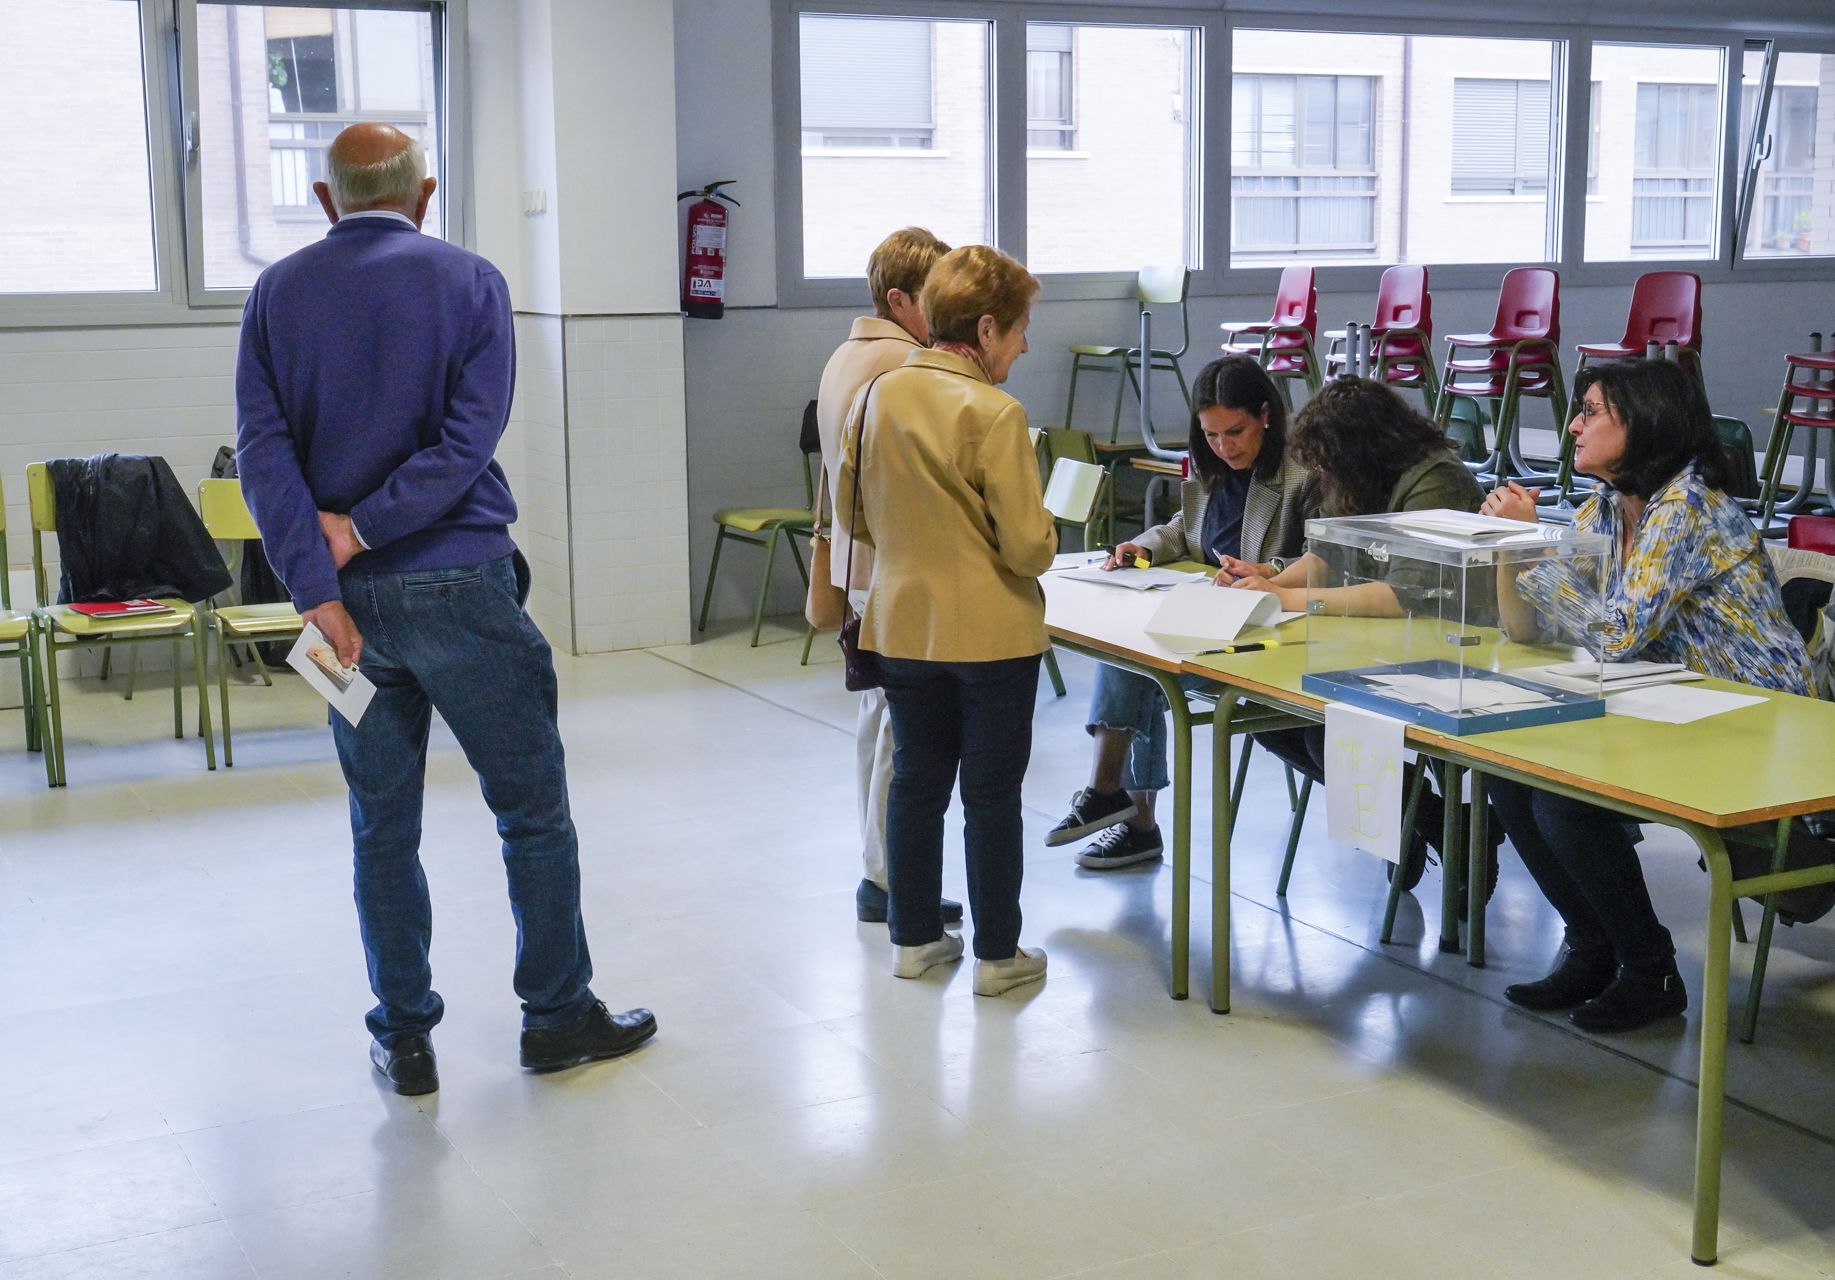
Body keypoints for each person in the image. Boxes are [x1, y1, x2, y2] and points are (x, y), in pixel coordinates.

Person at [236, 123, 654, 1096]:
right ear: (424, 194)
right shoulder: (470, 281)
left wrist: (319, 579)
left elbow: (263, 454)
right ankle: (556, 1017)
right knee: (530, 812)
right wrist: (369, 527)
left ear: (325, 197)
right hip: (463, 586)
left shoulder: (275, 293)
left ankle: (405, 1036)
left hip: (341, 623)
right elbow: (467, 443)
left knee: (380, 825)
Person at [1478, 359, 1811, 1033]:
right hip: (1671, 705)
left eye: (1591, 410)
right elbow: (1528, 627)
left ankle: (1648, 969)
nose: (1573, 425)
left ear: (1644, 422)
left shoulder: (1686, 508)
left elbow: (1616, 631)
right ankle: (1592, 945)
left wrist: (1529, 548)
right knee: (1510, 778)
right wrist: (1514, 553)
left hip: (1753, 718)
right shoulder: (1604, 507)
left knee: (1563, 805)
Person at [835, 245, 1057, 996]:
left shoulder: (877, 397)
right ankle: (998, 956)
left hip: (899, 621)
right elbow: (1028, 549)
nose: (1024, 346)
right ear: (987, 327)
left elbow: (850, 517)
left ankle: (914, 939)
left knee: (915, 783)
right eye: (1021, 330)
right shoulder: (995, 413)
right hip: (992, 634)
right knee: (990, 796)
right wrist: (1048, 530)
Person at [1045, 356, 1323, 869]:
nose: (1224, 446)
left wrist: (1265, 570)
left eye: (1235, 431)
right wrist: (1143, 549)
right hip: (1207, 615)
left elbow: (1324, 557)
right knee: (1135, 651)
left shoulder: (1301, 475)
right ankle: (1126, 813)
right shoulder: (1210, 466)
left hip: (1269, 633)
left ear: (1265, 414)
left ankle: (1122, 807)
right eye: (1212, 434)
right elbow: (1183, 527)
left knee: (1141, 652)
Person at [1228, 376, 1489, 880]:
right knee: (1272, 718)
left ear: (1364, 447)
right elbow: (1329, 554)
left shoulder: (1436, 481)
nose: (1324, 473)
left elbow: (1405, 596)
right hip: (1374, 641)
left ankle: (1425, 820)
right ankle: (1429, 819)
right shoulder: (1355, 474)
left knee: (1320, 736)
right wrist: (1268, 581)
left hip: (1448, 646)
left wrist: (1285, 597)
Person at [813, 227, 962, 927]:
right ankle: (891, 878)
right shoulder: (903, 365)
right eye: (934, 296)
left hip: (860, 562)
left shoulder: (846, 354)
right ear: (900, 299)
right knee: (905, 736)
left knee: (880, 726)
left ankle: (882, 870)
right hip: (894, 564)